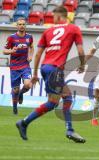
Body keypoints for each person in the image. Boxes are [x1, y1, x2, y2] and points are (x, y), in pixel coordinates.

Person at [16, 6, 86, 143]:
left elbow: (38, 54)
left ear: (59, 17)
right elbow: (81, 50)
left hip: (45, 67)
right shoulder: (74, 29)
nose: (53, 19)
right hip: (55, 69)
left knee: (57, 100)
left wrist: (35, 73)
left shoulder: (47, 31)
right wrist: (82, 64)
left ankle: (24, 123)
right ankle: (69, 129)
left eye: (54, 17)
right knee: (62, 99)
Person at [3, 17, 34, 115]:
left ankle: (21, 94)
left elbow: (32, 47)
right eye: (20, 24)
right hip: (14, 67)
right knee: (15, 89)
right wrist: (12, 51)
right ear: (17, 26)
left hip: (25, 65)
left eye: (23, 24)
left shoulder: (29, 37)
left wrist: (30, 56)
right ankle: (15, 107)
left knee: (28, 85)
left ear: (25, 26)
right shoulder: (12, 37)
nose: (22, 26)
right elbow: (4, 51)